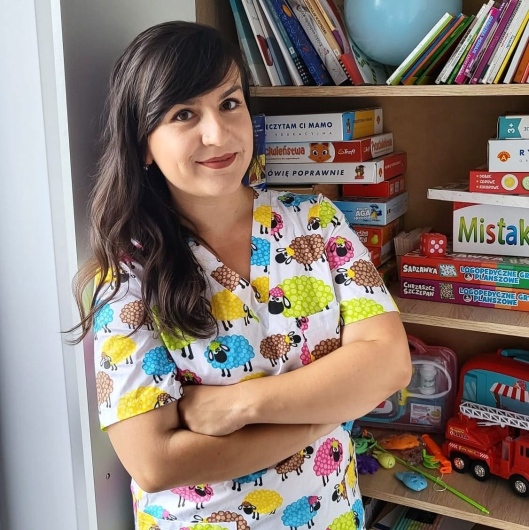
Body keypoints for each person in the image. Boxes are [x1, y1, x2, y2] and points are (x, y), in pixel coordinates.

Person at [72, 20, 411, 530]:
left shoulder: (315, 220)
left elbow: (389, 363)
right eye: (184, 114)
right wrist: (323, 416)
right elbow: (155, 462)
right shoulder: (126, 275)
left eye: (229, 103)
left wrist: (237, 405)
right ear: (143, 144)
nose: (218, 133)